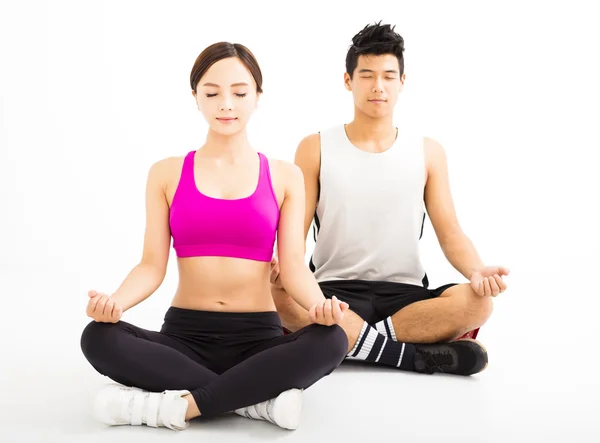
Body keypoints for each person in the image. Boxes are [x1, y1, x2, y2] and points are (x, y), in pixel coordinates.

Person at [80, 41, 349, 432]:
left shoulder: (285, 176)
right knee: (97, 337)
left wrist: (320, 308)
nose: (226, 104)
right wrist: (114, 303)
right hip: (184, 339)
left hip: (258, 339)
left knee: (332, 340)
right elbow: (151, 265)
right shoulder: (166, 173)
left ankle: (181, 405)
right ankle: (253, 402)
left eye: (239, 93)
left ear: (258, 97)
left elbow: (292, 267)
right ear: (195, 98)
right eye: (212, 93)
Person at [271, 22, 509, 376]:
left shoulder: (428, 152)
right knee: (276, 296)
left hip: (406, 298)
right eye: (366, 75)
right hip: (332, 294)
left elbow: (451, 233)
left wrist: (476, 271)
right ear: (348, 81)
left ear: (402, 82)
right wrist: (278, 271)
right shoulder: (315, 147)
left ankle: (345, 345)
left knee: (478, 303)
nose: (377, 86)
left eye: (387, 76)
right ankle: (410, 355)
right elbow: (294, 233)